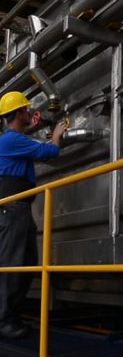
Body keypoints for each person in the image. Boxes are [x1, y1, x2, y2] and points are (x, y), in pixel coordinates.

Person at [0, 91, 66, 339]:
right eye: (26, 111)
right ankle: (4, 320)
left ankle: (10, 316)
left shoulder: (13, 140)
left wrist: (34, 129)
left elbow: (29, 148)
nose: (30, 114)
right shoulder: (11, 140)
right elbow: (49, 153)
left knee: (25, 263)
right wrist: (57, 137)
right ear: (18, 114)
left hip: (18, 209)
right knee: (13, 265)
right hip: (14, 209)